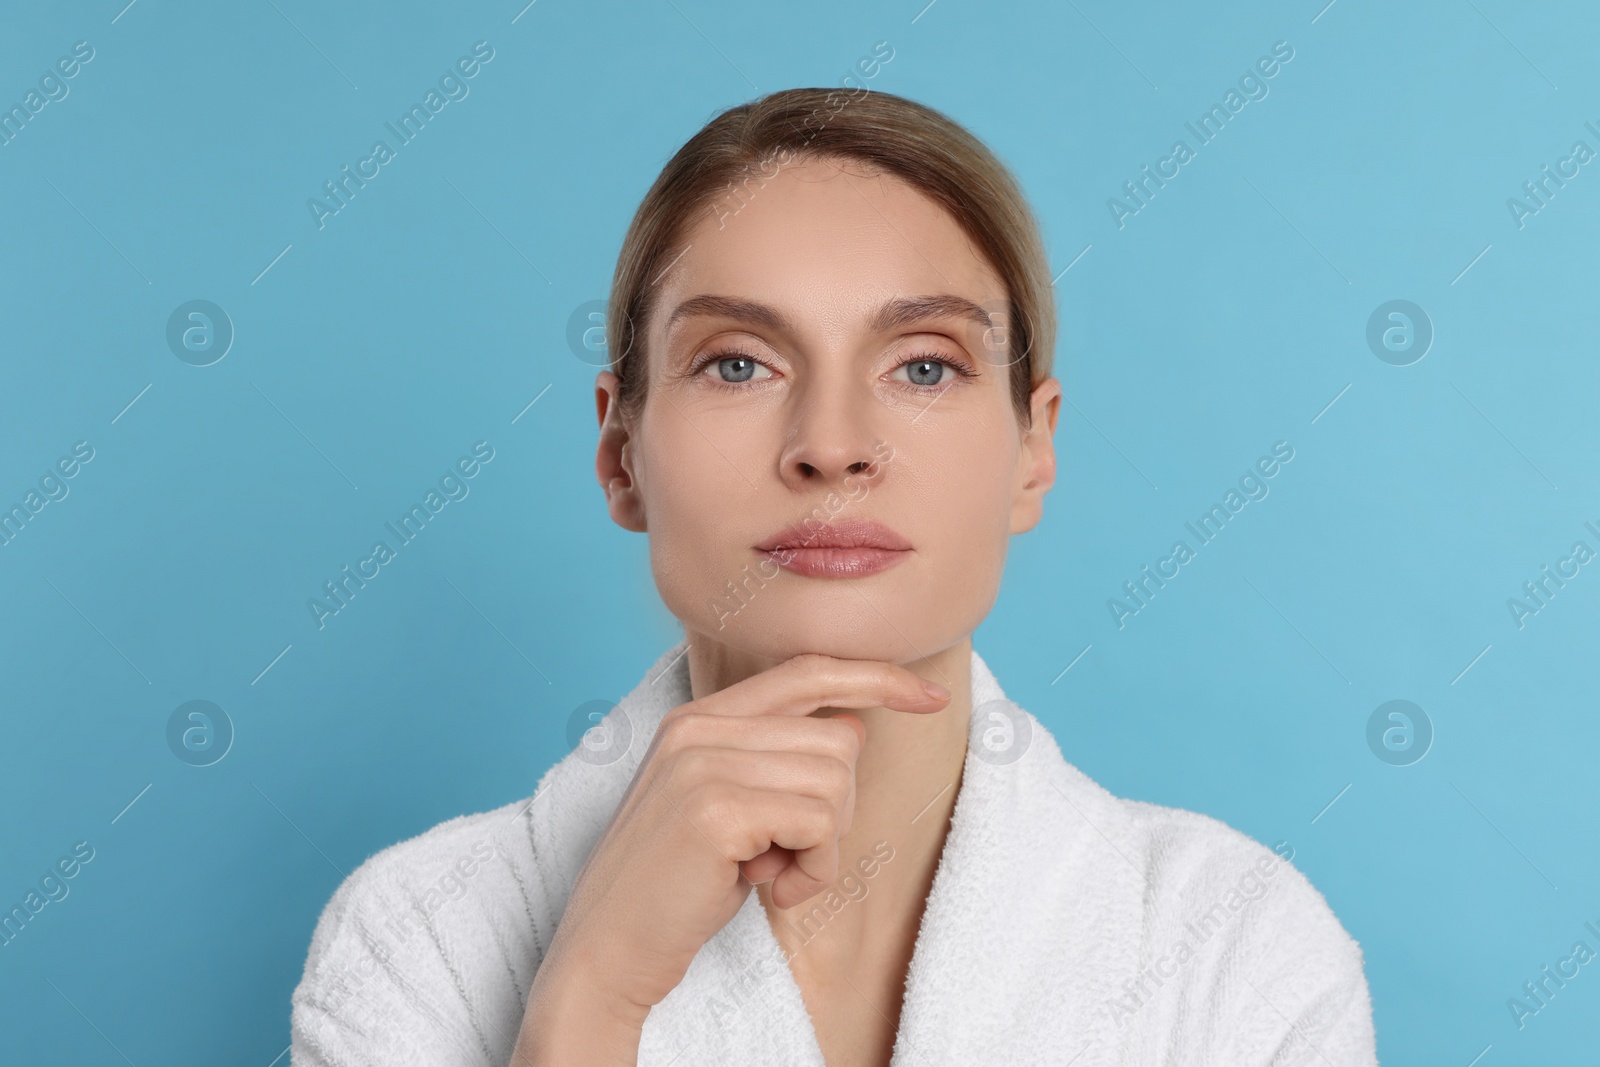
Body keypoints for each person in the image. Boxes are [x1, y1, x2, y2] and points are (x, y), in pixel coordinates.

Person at [289, 87, 1376, 1066]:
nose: (832, 445)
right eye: (737, 363)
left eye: (922, 364)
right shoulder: (421, 934)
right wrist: (587, 1000)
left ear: (1031, 453)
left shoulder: (1232, 941)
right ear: (621, 452)